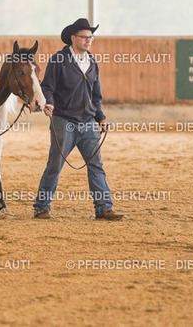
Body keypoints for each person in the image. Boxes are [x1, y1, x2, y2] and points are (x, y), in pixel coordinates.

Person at [33, 18, 125, 221]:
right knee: (55, 165)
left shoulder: (93, 63)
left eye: (90, 37)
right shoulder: (58, 59)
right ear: (73, 38)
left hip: (89, 122)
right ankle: (41, 207)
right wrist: (49, 103)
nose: (88, 40)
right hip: (63, 121)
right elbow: (47, 86)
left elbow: (96, 96)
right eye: (84, 37)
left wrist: (101, 118)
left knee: (96, 165)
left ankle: (104, 208)